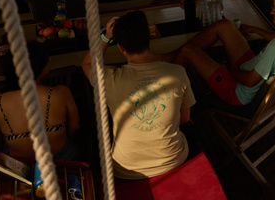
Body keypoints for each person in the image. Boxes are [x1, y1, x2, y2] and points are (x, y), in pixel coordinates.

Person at [82, 10, 195, 179]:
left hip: (125, 169)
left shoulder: (109, 79)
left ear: (120, 47)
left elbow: (88, 63)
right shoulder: (177, 73)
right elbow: (184, 119)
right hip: (173, 160)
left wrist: (106, 37)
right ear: (149, 37)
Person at [168, 0, 275, 107]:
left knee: (187, 51)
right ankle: (173, 55)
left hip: (238, 91)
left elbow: (249, 81)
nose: (272, 11)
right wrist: (255, 29)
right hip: (251, 67)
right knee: (224, 25)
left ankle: (169, 101)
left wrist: (230, 70)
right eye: (273, 6)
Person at [0, 42, 80, 162]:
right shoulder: (60, 93)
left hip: (19, 164)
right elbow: (74, 127)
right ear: (41, 67)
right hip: (59, 160)